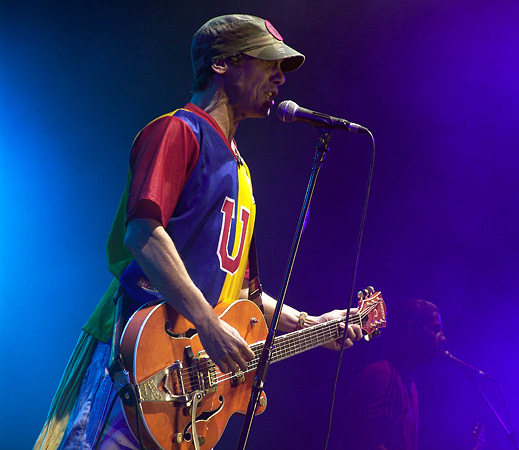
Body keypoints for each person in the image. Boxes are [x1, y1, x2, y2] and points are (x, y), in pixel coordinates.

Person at [34, 14, 363, 450]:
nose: (280, 78)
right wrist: (208, 323)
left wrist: (309, 324)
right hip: (137, 355)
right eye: (269, 63)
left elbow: (240, 291)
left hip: (187, 379)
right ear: (222, 64)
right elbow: (143, 234)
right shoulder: (177, 130)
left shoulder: (241, 171)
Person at [346, 298, 446, 450]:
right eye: (435, 329)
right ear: (411, 331)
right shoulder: (382, 377)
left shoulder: (409, 385)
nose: (443, 338)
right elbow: (370, 444)